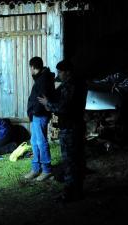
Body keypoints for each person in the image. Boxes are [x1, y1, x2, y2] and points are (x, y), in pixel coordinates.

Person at [38, 60, 87, 202]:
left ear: (67, 72)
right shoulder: (79, 83)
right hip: (76, 125)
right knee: (77, 159)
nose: (59, 74)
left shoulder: (70, 86)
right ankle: (78, 190)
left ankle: (70, 193)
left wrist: (48, 104)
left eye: (60, 71)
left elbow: (64, 107)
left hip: (70, 127)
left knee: (70, 161)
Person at [24, 56, 55, 181]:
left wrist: (34, 111)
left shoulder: (44, 79)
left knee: (41, 142)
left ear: (32, 67)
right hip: (36, 115)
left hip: (40, 115)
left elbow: (41, 99)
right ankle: (36, 168)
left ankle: (46, 170)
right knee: (35, 142)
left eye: (30, 68)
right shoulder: (41, 78)